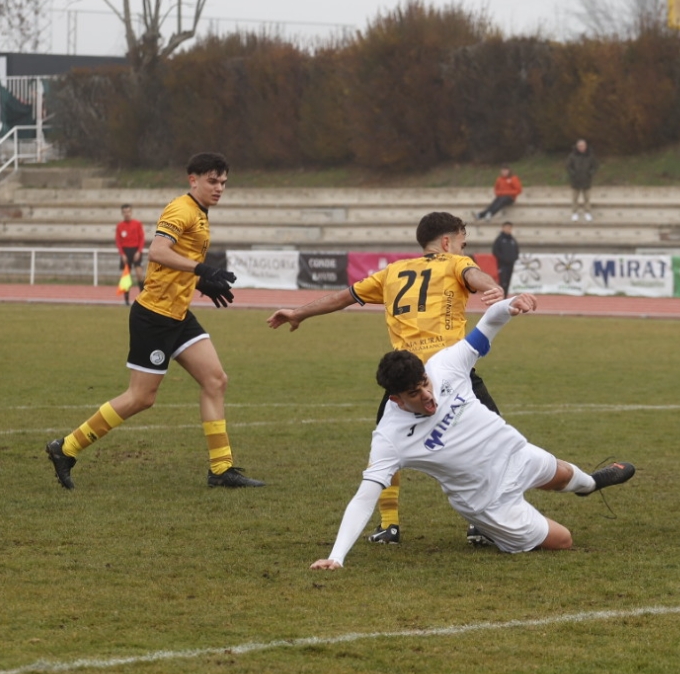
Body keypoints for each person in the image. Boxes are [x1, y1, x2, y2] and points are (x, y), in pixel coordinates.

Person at [310, 294, 636, 569]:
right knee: (563, 541)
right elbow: (363, 499)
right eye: (414, 394)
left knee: (564, 475)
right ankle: (490, 528)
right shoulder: (389, 437)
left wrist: (510, 304)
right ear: (395, 399)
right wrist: (336, 556)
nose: (427, 395)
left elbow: (488, 325)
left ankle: (591, 483)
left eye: (425, 384)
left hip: (515, 455)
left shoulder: (445, 365)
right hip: (485, 498)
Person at [267, 212, 503, 543]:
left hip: (407, 374)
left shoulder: (393, 271)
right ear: (448, 242)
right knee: (491, 440)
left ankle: (389, 524)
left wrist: (299, 312)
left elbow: (343, 297)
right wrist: (493, 288)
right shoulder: (454, 262)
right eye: (463, 240)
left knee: (386, 447)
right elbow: (475, 275)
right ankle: (483, 521)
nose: (465, 248)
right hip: (451, 370)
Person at [44, 152, 262, 490]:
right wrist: (202, 270)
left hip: (178, 314)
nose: (219, 188)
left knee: (216, 380)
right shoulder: (182, 209)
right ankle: (66, 448)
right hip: (155, 317)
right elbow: (157, 252)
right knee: (141, 397)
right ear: (193, 180)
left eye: (223, 182)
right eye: (212, 181)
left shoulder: (201, 215)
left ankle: (221, 469)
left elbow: (175, 263)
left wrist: (200, 283)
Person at [115, 204, 146, 306]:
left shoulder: (137, 224)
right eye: (125, 212)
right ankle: (126, 301)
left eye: (128, 212)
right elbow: (118, 241)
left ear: (131, 212)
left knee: (139, 274)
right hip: (125, 251)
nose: (127, 214)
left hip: (135, 250)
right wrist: (122, 254)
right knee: (126, 277)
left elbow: (142, 238)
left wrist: (139, 251)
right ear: (122, 213)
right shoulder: (120, 226)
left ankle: (142, 300)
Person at [566, 139, 599, 221]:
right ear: (577, 147)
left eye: (583, 146)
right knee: (574, 198)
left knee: (587, 198)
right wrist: (573, 174)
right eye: (580, 146)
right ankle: (574, 212)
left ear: (586, 146)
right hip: (575, 180)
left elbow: (595, 166)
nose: (581, 147)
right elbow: (568, 166)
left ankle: (587, 212)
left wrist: (590, 173)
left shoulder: (590, 155)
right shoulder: (572, 156)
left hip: (586, 180)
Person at [492, 221, 520, 293]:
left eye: (510, 228)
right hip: (502, 265)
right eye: (507, 228)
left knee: (507, 282)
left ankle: (505, 297)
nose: (509, 229)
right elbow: (495, 251)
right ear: (503, 228)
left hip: (511, 264)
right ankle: (500, 297)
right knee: (502, 282)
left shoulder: (512, 239)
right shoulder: (499, 239)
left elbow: (516, 250)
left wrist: (514, 258)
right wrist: (503, 259)